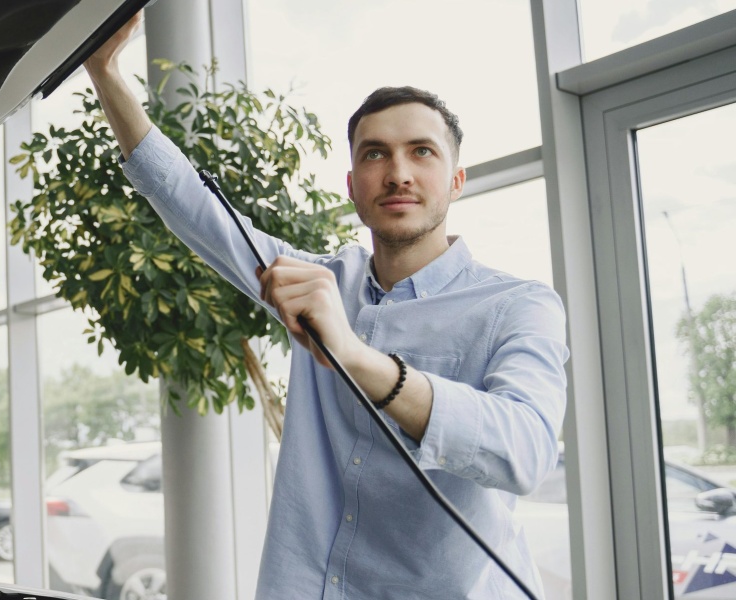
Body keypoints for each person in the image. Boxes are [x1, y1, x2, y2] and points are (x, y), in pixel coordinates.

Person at [83, 13, 569, 600]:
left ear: (458, 179)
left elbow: (525, 451)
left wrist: (358, 357)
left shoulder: (520, 306)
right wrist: (104, 71)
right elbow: (188, 201)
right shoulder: (319, 280)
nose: (398, 174)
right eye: (375, 155)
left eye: (421, 152)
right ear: (350, 184)